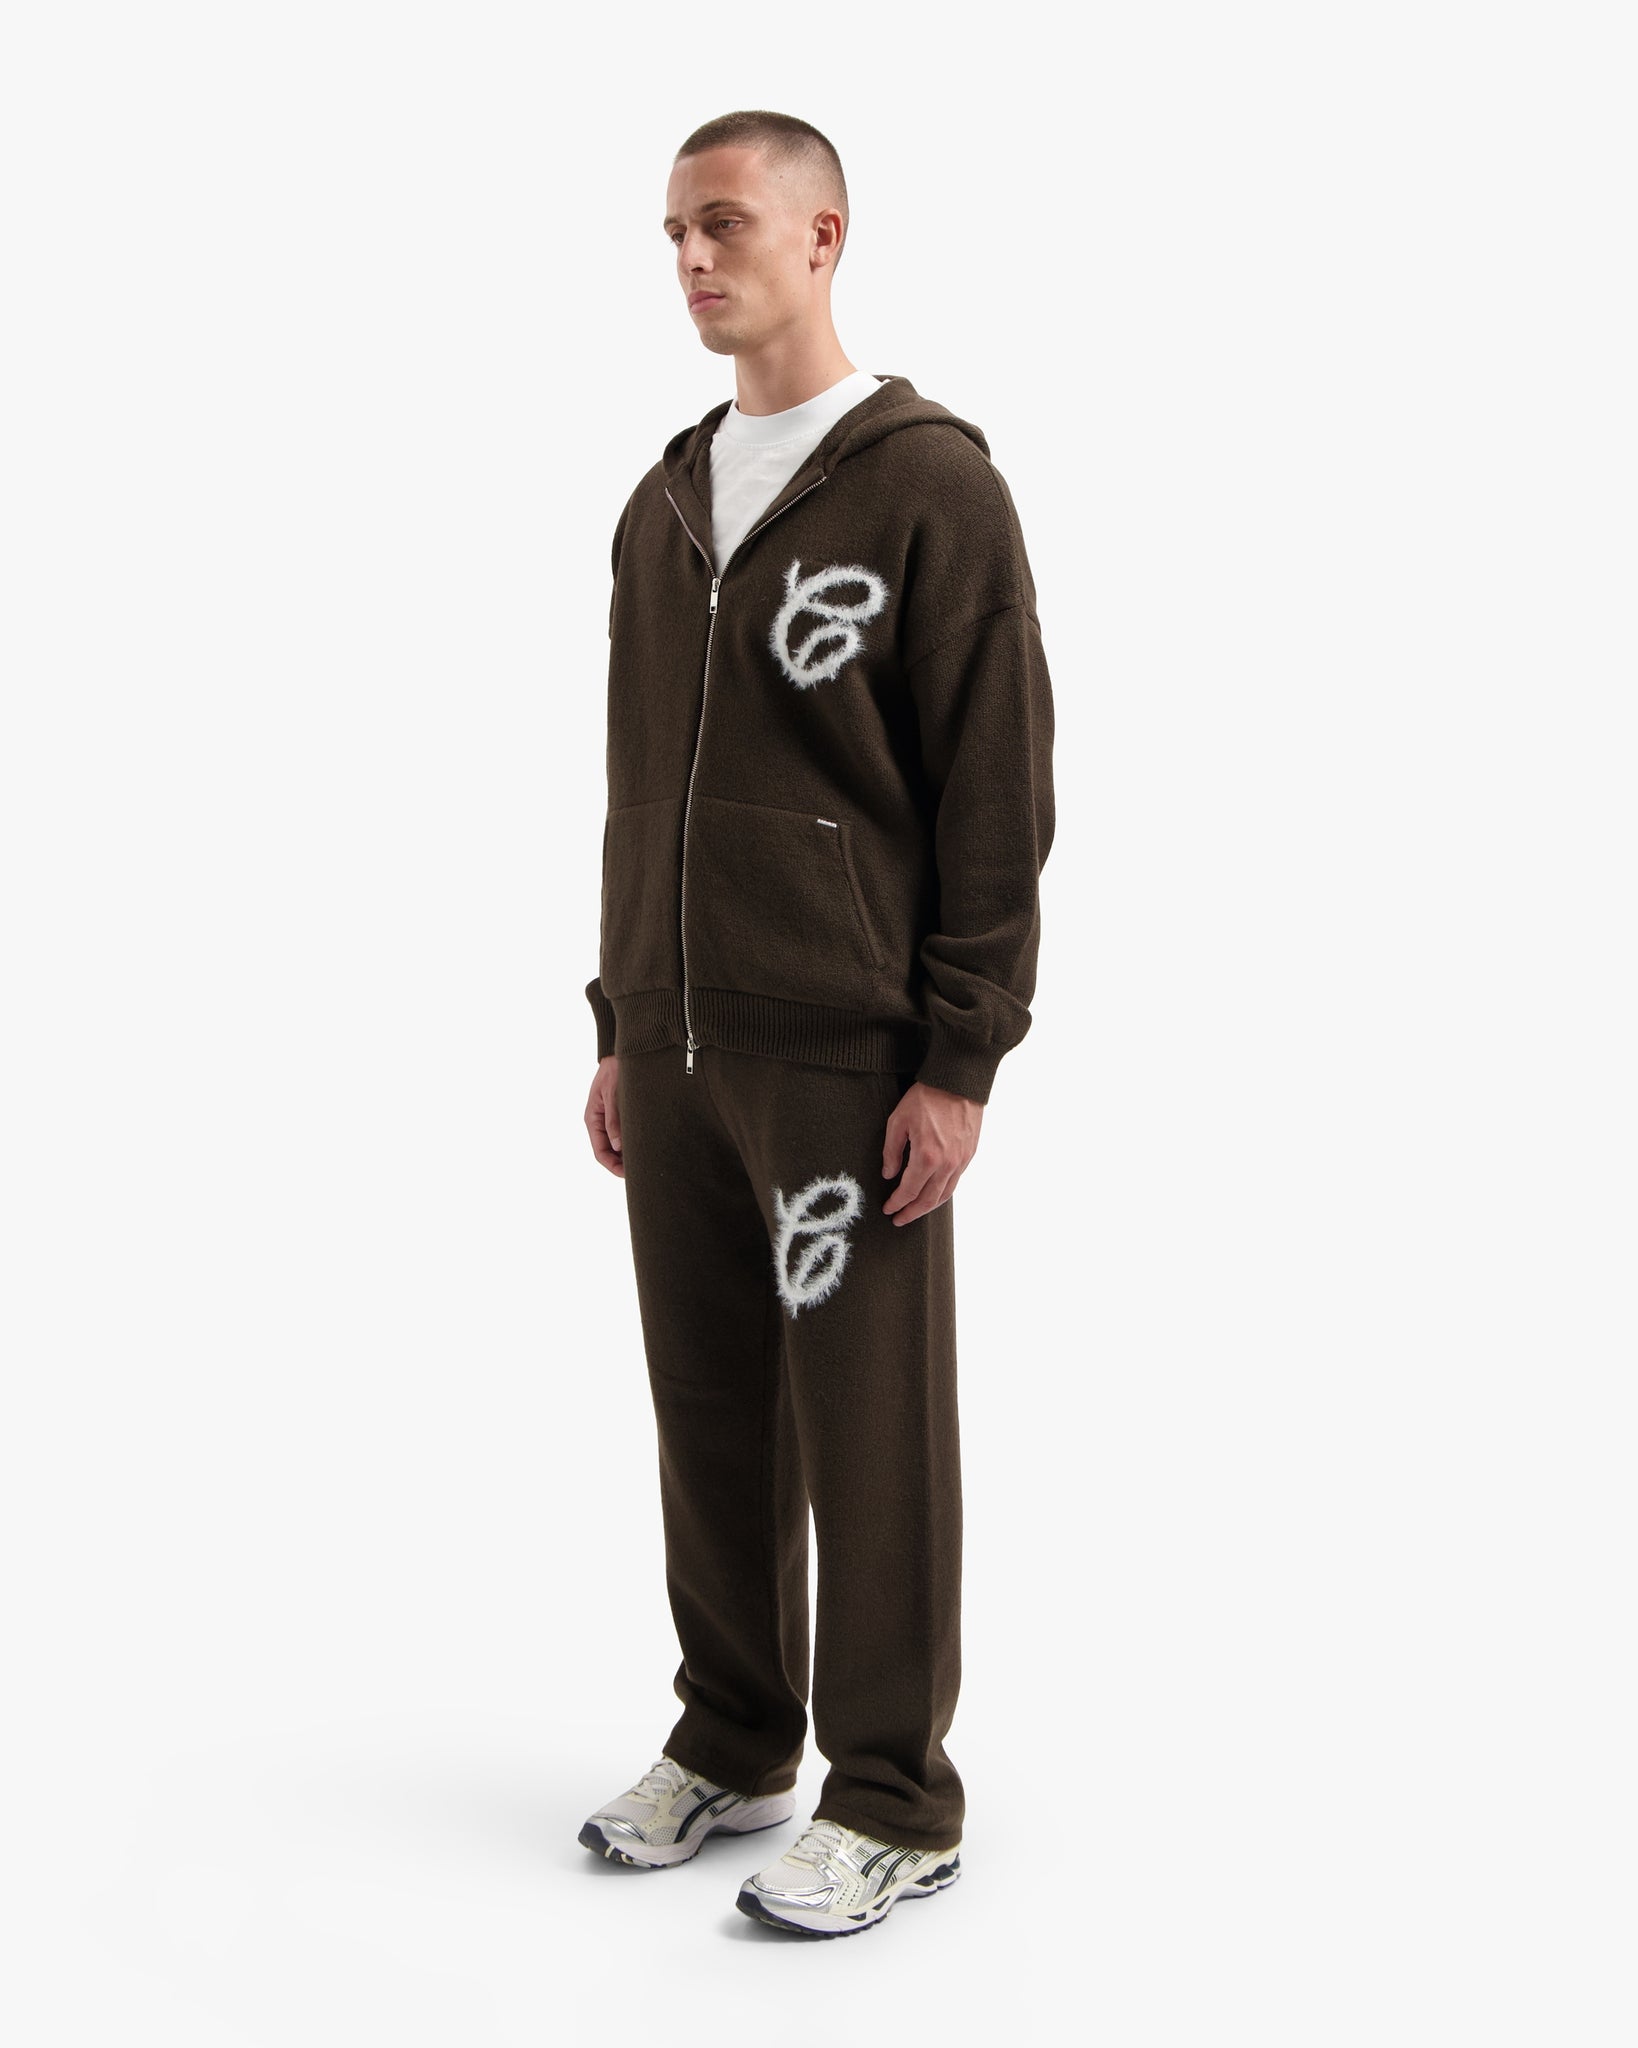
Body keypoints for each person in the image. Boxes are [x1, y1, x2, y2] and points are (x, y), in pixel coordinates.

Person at [577, 107, 1055, 1938]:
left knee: (866, 1427)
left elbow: (995, 790)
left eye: (723, 224)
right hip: (680, 1043)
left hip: (846, 1053)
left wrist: (959, 1055)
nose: (694, 260)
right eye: (672, 235)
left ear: (822, 235)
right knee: (706, 1404)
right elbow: (637, 781)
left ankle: (892, 1796)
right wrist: (623, 1014)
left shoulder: (930, 488)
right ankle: (731, 1735)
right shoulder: (662, 501)